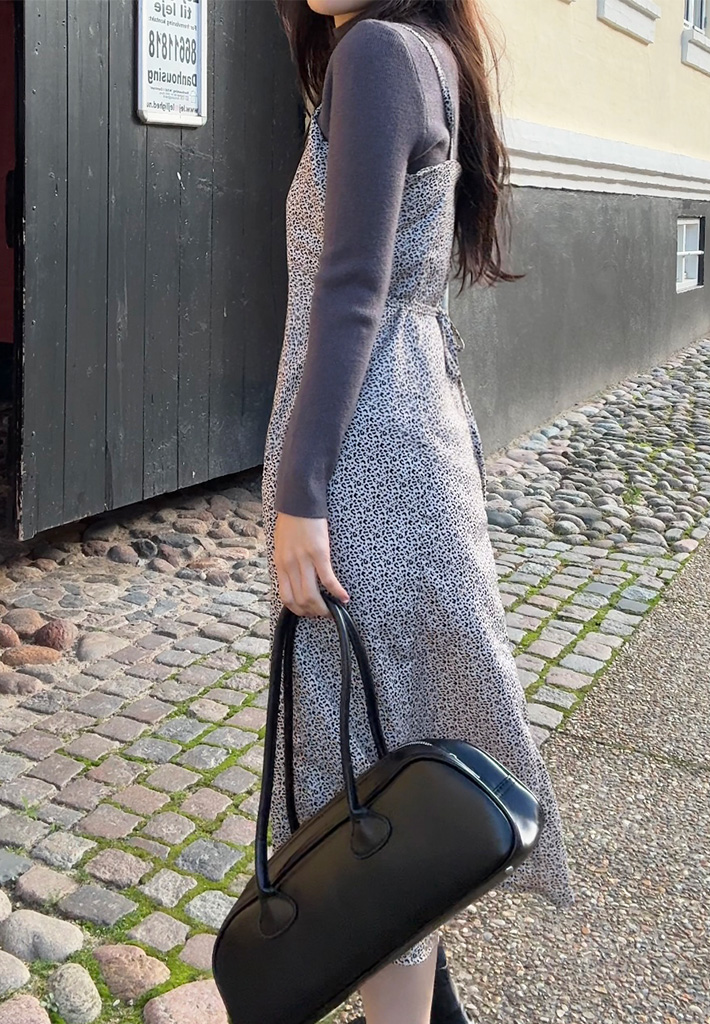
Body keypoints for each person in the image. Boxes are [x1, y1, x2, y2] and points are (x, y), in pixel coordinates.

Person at [261, 2, 576, 1023]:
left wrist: (301, 490)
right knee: (393, 770)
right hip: (408, 432)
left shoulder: (379, 51)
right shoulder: (424, 53)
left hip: (370, 463)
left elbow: (352, 285)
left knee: (370, 804)